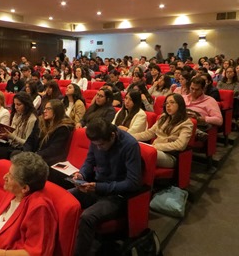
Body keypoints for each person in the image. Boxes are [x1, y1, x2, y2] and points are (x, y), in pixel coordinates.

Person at [69, 118, 141, 256]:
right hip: (96, 187)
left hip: (116, 196)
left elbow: (133, 182)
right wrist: (82, 175)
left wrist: (99, 187)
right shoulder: (97, 139)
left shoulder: (130, 145)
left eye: (101, 145)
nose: (98, 148)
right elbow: (89, 161)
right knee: (64, 198)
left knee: (87, 217)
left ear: (112, 136)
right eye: (95, 145)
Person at [0, 152, 57, 256]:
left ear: (25, 188)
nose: (5, 176)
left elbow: (34, 253)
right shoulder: (13, 192)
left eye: (11, 176)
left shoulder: (39, 208)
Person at [135, 93, 194, 167]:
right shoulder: (163, 117)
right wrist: (131, 137)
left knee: (139, 153)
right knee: (132, 148)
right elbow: (149, 133)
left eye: (172, 102)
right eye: (166, 103)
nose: (168, 105)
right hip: (155, 149)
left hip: (170, 155)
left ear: (180, 105)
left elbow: (180, 145)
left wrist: (156, 147)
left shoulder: (186, 123)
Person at [23, 99, 74, 165]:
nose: (44, 111)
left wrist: (34, 156)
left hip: (48, 160)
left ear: (57, 111)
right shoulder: (40, 122)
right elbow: (30, 140)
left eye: (48, 109)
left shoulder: (63, 128)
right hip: (35, 155)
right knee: (14, 154)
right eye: (45, 108)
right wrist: (27, 153)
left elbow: (53, 150)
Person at [0, 92, 38, 159]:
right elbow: (12, 133)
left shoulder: (32, 119)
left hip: (20, 149)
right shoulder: (16, 114)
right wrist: (5, 135)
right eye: (14, 104)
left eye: (19, 104)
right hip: (10, 144)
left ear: (26, 105)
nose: (15, 107)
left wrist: (12, 136)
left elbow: (27, 143)